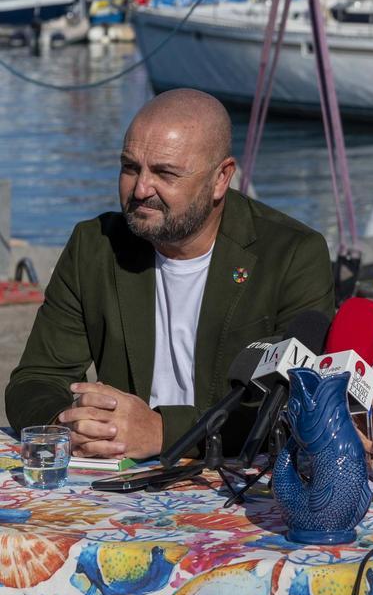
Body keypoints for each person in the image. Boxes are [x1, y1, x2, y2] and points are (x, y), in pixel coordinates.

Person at [6, 89, 335, 461]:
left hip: (235, 486)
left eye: (165, 173)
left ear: (221, 178)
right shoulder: (94, 246)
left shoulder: (292, 254)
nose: (141, 189)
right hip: (118, 477)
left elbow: (299, 406)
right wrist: (72, 425)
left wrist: (165, 432)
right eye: (130, 167)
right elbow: (33, 381)